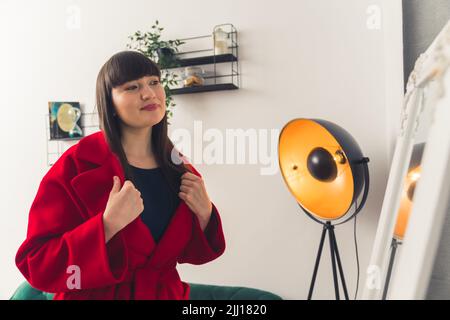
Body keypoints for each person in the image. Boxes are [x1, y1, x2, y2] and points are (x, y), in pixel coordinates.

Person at [15, 51, 226, 300]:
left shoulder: (179, 167)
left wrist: (205, 214)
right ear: (110, 103)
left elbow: (193, 253)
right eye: (132, 86)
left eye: (154, 82)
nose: (148, 93)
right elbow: (36, 263)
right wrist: (106, 226)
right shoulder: (76, 165)